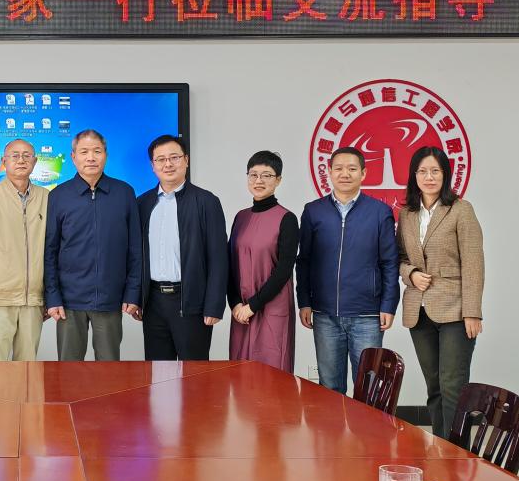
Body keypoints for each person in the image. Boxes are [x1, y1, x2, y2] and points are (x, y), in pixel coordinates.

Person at [296, 146, 399, 395]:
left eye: (352, 169)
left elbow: (389, 262)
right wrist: (305, 302)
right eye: (339, 168)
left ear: (363, 173)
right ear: (329, 172)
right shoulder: (313, 211)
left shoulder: (380, 212)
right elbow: (304, 261)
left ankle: (367, 425)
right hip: (325, 315)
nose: (345, 174)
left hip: (367, 315)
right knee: (330, 388)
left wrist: (388, 305)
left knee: (369, 389)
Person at [397, 146, 484, 437]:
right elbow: (399, 257)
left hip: (455, 310)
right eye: (422, 171)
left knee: (452, 386)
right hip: (419, 312)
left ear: (445, 174)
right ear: (414, 176)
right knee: (433, 386)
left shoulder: (461, 209)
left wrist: (472, 312)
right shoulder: (407, 214)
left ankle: (458, 454)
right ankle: (439, 449)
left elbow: (473, 263)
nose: (429, 177)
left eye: (435, 171)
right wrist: (411, 274)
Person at [44, 129, 142, 361]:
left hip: (110, 299)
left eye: (97, 151)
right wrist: (53, 297)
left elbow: (135, 249)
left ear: (105, 155)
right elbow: (50, 251)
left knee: (109, 369)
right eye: (84, 152)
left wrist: (132, 293)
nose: (91, 157)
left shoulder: (124, 193)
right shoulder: (58, 196)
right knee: (68, 369)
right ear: (73, 157)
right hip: (69, 301)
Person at [137, 134, 228, 361]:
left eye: (174, 157)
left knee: (193, 374)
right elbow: (136, 256)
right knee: (158, 372)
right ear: (153, 166)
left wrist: (214, 305)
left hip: (191, 301)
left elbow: (219, 257)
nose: (168, 164)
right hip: (153, 302)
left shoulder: (206, 202)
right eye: (161, 159)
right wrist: (137, 298)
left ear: (186, 160)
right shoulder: (143, 203)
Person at [0, 139, 49, 361]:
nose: (21, 160)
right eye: (14, 156)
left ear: (35, 161)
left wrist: (48, 296)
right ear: (3, 161)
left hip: (34, 299)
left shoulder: (46, 197)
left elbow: (52, 251)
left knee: (27, 366)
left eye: (26, 156)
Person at [228, 150, 299, 372]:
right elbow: (230, 264)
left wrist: (253, 306)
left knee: (271, 373)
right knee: (240, 373)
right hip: (242, 311)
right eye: (253, 175)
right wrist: (235, 304)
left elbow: (284, 270)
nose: (259, 181)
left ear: (278, 180)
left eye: (267, 175)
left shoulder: (286, 218)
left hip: (271, 308)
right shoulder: (241, 217)